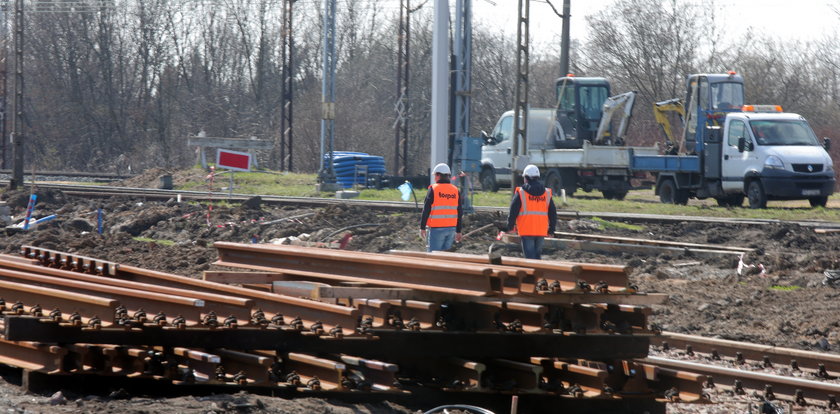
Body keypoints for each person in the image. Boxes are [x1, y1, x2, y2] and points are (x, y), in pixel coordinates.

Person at [506, 164, 557, 259]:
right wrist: (551, 229)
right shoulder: (546, 193)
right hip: (541, 230)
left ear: (526, 177)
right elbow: (553, 213)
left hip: (527, 230)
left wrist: (510, 226)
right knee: (537, 257)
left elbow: (513, 211)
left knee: (529, 258)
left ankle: (531, 273)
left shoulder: (521, 193)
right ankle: (537, 273)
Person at [419, 163, 463, 252]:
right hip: (451, 229)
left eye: (435, 175)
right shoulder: (455, 190)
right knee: (445, 258)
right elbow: (459, 212)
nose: (434, 178)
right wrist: (458, 231)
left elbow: (426, 210)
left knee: (433, 258)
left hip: (437, 229)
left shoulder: (434, 189)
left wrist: (422, 227)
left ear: (439, 175)